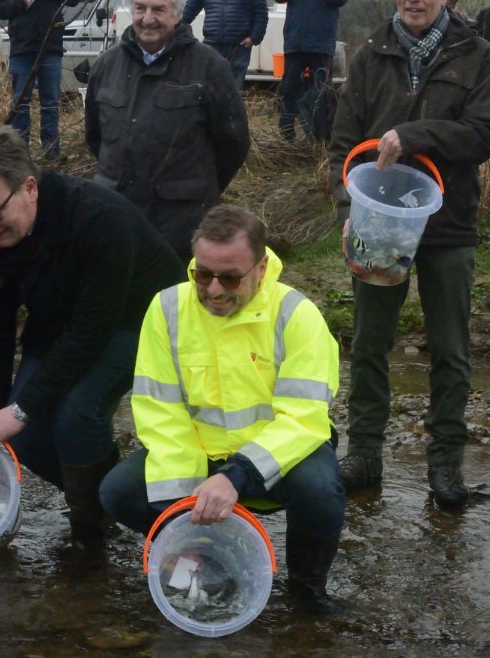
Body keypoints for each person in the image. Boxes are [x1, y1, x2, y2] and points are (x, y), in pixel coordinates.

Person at [99, 205, 345, 615]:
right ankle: (215, 562)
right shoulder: (166, 309)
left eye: (230, 277)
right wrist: (180, 515)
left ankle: (307, 592)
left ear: (261, 268)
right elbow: (160, 412)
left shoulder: (296, 315)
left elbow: (303, 418)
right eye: (202, 274)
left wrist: (238, 474)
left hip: (276, 461)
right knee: (117, 492)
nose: (214, 290)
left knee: (320, 492)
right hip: (200, 458)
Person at [329, 0, 490, 509]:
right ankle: (364, 455)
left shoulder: (475, 54)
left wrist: (417, 134)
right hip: (377, 226)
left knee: (450, 348)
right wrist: (344, 206)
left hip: (448, 226)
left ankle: (445, 463)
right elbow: (342, 144)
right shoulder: (369, 54)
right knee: (370, 343)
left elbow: (484, 135)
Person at [0, 126, 183, 548]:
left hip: (142, 319)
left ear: (30, 188)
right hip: (59, 319)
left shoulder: (98, 218)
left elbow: (93, 330)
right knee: (26, 435)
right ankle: (102, 502)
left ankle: (94, 526)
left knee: (76, 414)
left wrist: (20, 409)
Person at [84, 0, 250, 263]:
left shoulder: (209, 67)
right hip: (117, 218)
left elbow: (233, 144)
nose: (148, 19)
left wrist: (194, 191)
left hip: (181, 228)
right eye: (140, 8)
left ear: (177, 13)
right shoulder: (105, 67)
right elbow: (95, 137)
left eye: (158, 9)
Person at [0, 0, 80, 162]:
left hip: (51, 46)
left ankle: (51, 149)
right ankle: (21, 151)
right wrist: (22, 0)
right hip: (22, 48)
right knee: (21, 100)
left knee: (50, 101)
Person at [271, 0, 348, 142]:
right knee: (289, 90)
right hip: (295, 45)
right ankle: (287, 135)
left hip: (321, 47)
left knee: (322, 92)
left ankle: (320, 137)